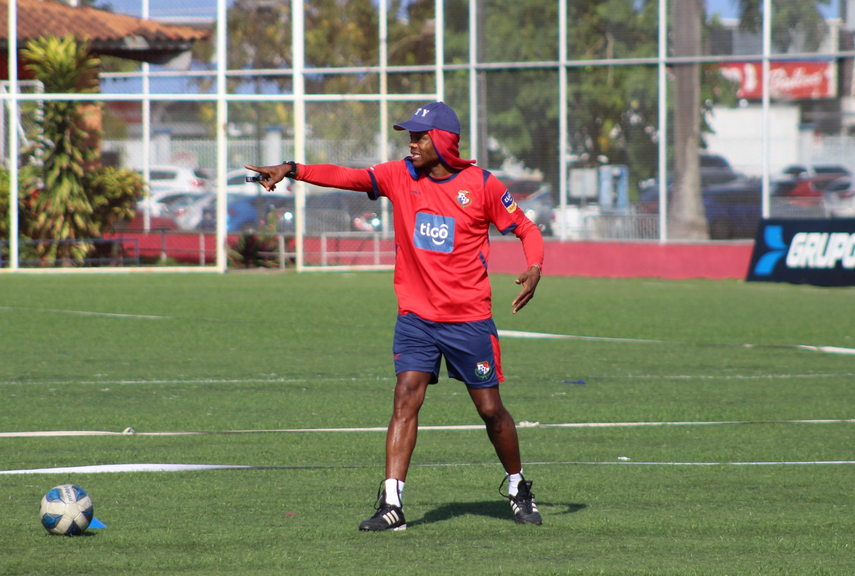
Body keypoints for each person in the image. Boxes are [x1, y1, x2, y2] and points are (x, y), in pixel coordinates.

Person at [246, 101, 544, 531]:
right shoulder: (399, 175)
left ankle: (518, 487)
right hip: (416, 317)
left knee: (490, 410)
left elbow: (526, 229)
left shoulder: (481, 185)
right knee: (405, 396)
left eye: (420, 136)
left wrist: (534, 267)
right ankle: (392, 504)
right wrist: (292, 169)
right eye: (410, 136)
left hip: (468, 320)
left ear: (443, 141)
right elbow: (347, 176)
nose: (412, 143)